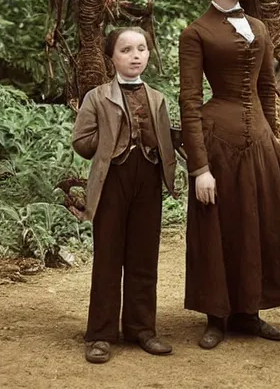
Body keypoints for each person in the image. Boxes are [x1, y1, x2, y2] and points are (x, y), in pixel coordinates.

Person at [177, 0, 280, 348]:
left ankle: (249, 311)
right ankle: (216, 315)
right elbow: (189, 102)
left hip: (258, 141)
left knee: (256, 223)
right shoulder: (196, 33)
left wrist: (275, 143)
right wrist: (199, 167)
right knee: (219, 227)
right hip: (218, 144)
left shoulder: (260, 28)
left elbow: (267, 90)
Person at [71, 27, 177, 363]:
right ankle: (101, 334)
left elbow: (166, 141)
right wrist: (108, 139)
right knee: (108, 257)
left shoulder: (158, 98)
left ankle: (141, 329)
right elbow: (81, 142)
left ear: (148, 54)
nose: (135, 56)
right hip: (112, 179)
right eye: (126, 49)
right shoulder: (98, 96)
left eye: (142, 49)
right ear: (112, 57)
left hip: (148, 178)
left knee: (144, 255)